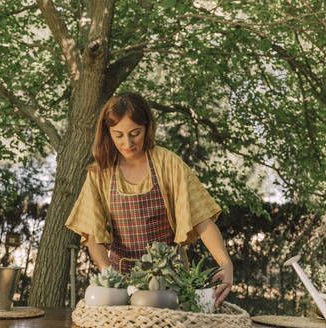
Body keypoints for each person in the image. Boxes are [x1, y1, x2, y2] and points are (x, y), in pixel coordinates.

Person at [65, 92, 233, 305]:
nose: (127, 143)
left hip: (170, 283)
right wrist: (111, 280)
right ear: (107, 133)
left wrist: (226, 264)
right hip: (123, 284)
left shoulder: (168, 163)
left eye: (135, 133)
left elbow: (202, 219)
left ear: (147, 128)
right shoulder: (101, 173)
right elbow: (91, 235)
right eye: (119, 135)